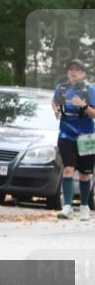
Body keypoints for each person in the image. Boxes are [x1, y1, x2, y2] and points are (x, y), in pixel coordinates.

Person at [52, 59, 95, 221]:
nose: (73, 72)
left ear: (83, 73)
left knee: (85, 174)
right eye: (71, 70)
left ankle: (84, 206)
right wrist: (56, 109)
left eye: (77, 70)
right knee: (68, 169)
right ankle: (68, 207)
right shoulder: (61, 88)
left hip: (86, 137)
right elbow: (54, 101)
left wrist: (83, 106)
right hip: (66, 135)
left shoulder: (90, 90)